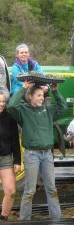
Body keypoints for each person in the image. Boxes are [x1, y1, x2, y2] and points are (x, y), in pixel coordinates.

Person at [8, 82, 67, 220]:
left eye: (43, 95)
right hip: (32, 155)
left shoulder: (48, 110)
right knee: (30, 190)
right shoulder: (23, 111)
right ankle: (24, 220)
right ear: (30, 97)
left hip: (47, 154)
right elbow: (11, 106)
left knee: (52, 189)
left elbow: (62, 107)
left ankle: (57, 219)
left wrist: (55, 91)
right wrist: (23, 88)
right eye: (39, 95)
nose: (42, 98)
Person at [0, 92, 21, 221]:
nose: (1, 104)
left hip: (5, 158)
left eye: (3, 101)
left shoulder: (9, 118)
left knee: (11, 191)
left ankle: (3, 218)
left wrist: (17, 161)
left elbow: (15, 140)